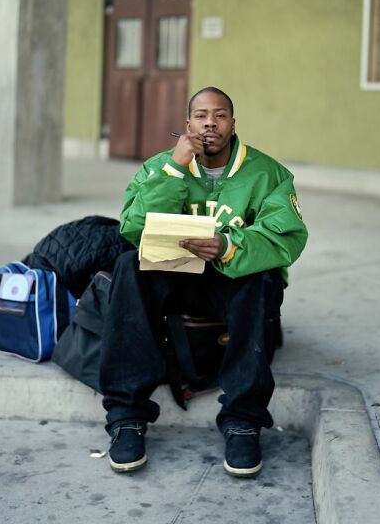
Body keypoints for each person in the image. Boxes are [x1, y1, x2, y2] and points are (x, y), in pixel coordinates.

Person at [100, 86, 308, 478]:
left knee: (263, 279)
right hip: (176, 279)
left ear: (233, 124)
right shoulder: (159, 166)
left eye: (220, 115)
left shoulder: (267, 173)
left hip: (231, 282)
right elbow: (132, 228)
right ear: (187, 124)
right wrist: (175, 170)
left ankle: (243, 419)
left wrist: (229, 245)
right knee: (129, 266)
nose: (210, 122)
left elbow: (287, 237)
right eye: (200, 115)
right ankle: (127, 416)